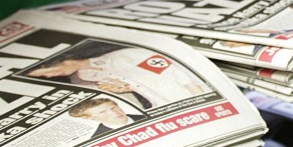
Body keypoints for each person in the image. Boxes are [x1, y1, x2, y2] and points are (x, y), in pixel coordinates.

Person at [28, 44, 210, 108]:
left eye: (47, 68)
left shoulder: (125, 57)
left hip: (195, 99)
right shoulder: (79, 81)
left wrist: (201, 99)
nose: (49, 73)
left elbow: (181, 76)